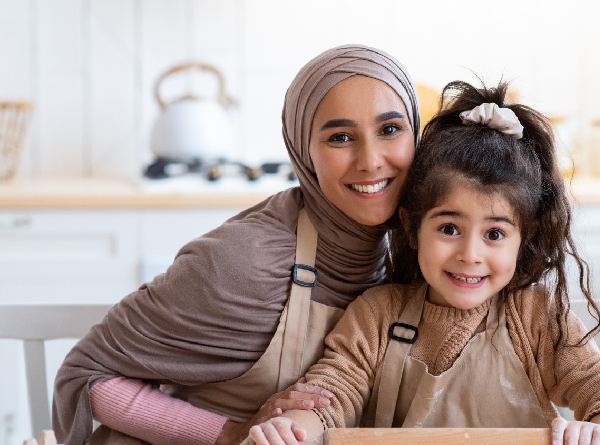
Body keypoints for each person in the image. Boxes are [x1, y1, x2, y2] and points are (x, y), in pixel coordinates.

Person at [51, 44, 421, 445]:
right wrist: (228, 433)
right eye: (340, 137)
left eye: (389, 130)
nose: (370, 160)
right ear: (303, 150)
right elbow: (88, 374)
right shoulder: (246, 262)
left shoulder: (416, 250)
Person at [243, 81, 600, 445]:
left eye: (494, 234)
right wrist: (290, 429)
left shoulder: (536, 316)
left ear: (524, 236)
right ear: (412, 226)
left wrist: (598, 432)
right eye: (449, 229)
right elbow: (329, 399)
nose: (470, 254)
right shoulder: (377, 316)